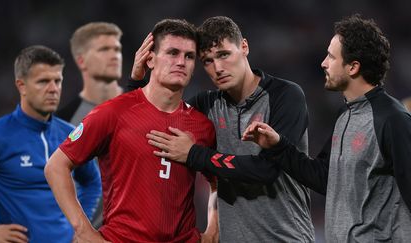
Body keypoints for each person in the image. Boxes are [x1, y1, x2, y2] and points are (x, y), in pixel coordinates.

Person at [131, 16, 314, 242]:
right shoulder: (207, 105)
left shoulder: (285, 95)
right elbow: (147, 128)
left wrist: (194, 154)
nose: (217, 68)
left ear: (244, 47)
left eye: (224, 55)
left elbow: (266, 170)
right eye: (207, 61)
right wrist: (137, 83)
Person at [239, 14, 411, 242]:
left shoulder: (392, 119)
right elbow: (325, 179)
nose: (323, 62)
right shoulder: (345, 115)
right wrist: (278, 146)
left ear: (353, 67)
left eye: (331, 56)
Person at [44, 19, 216, 242]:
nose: (181, 62)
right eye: (172, 53)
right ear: (150, 59)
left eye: (189, 56)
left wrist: (213, 228)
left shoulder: (202, 126)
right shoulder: (113, 112)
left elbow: (218, 182)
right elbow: (56, 167)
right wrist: (84, 230)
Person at [0, 45, 101, 243]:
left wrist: (80, 226)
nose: (53, 89)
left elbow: (92, 181)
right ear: (21, 86)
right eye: (43, 81)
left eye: (57, 81)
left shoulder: (69, 134)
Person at [55, 21, 123, 228]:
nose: (115, 55)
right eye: (104, 49)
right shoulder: (62, 121)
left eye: (117, 49)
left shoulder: (144, 107)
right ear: (82, 61)